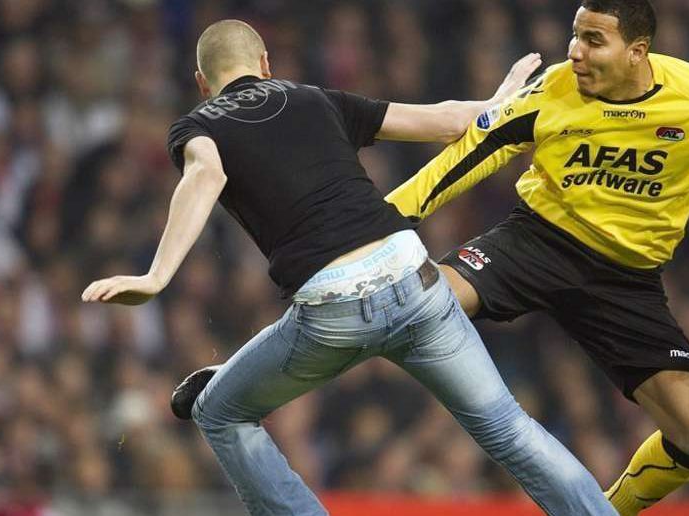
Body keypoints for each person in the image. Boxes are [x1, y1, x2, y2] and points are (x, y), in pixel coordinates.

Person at [81, 19, 616, 516]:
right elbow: (450, 121)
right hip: (414, 279)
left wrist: (156, 276)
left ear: (203, 83)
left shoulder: (199, 124)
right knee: (510, 430)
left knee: (219, 411)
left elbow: (204, 174)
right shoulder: (315, 97)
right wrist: (503, 99)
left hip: (333, 310)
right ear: (265, 64)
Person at [384, 1, 689, 514]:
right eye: (575, 35)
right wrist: (378, 224)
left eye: (594, 40)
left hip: (628, 280)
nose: (575, 52)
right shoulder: (555, 89)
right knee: (406, 300)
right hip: (538, 242)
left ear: (637, 52)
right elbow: (470, 154)